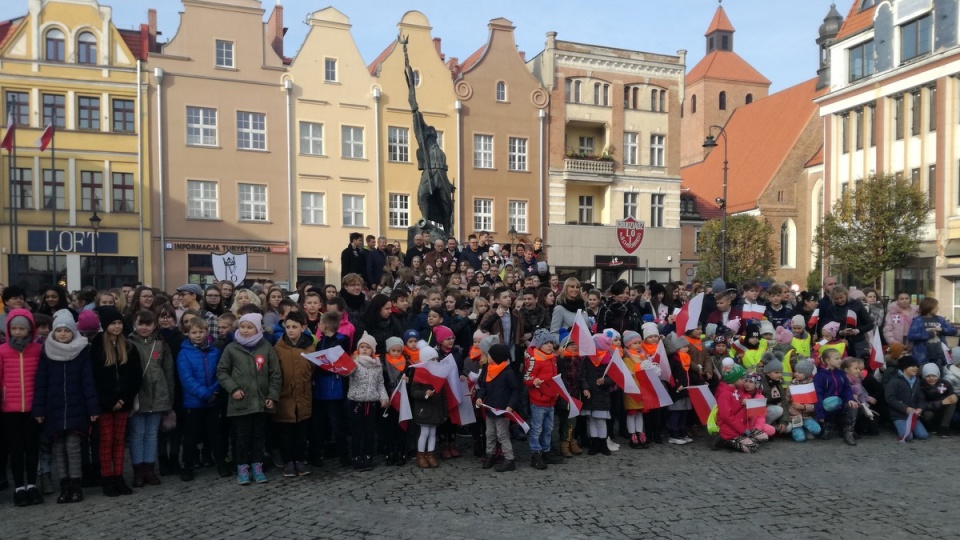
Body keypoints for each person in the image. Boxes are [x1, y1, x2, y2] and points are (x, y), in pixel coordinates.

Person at [33, 310, 99, 503]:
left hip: (75, 406)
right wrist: (38, 409)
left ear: (73, 332)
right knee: (58, 448)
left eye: (66, 330)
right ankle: (65, 486)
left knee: (73, 447)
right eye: (59, 330)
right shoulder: (47, 351)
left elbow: (88, 381)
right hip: (54, 408)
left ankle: (76, 485)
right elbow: (41, 382)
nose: (62, 334)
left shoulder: (81, 351)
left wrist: (93, 408)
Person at [216, 313, 281, 485]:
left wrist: (272, 395)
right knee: (242, 437)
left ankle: (257, 467)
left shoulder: (266, 347)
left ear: (257, 329)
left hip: (261, 401)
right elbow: (222, 372)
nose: (245, 331)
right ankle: (242, 468)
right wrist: (233, 388)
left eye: (249, 327)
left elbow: (275, 374)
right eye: (243, 327)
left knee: (259, 436)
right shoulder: (231, 348)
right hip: (241, 401)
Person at [90, 306, 142, 497]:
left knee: (119, 441)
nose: (117, 326)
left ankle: (119, 477)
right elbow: (95, 377)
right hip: (105, 404)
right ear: (105, 325)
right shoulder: (96, 347)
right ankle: (107, 478)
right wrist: (110, 400)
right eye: (113, 323)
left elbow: (135, 377)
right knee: (106, 441)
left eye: (119, 323)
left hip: (123, 402)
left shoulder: (128, 346)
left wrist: (124, 399)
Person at [177, 317, 230, 481]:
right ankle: (188, 465)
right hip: (194, 402)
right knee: (191, 437)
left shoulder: (215, 351)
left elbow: (220, 372)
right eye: (194, 332)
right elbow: (187, 379)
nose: (198, 335)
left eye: (201, 332)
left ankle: (221, 462)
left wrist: (214, 391)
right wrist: (206, 394)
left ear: (207, 332)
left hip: (214, 401)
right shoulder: (184, 353)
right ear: (188, 334)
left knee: (216, 435)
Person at [127, 310, 175, 488]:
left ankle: (149, 468)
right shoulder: (129, 343)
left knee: (152, 435)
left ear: (154, 325)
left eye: (148, 324)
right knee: (137, 434)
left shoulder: (161, 344)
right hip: (138, 396)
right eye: (141, 324)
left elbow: (168, 372)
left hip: (158, 395)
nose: (144, 328)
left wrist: (169, 398)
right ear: (135, 324)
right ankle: (138, 470)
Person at [0, 309, 43, 505]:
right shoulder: (2, 351)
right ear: (9, 330)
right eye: (14, 328)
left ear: (29, 330)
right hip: (10, 409)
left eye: (22, 329)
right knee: (16, 449)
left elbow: (43, 380)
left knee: (32, 448)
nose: (18, 332)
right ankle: (19, 487)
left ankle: (32, 485)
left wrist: (41, 407)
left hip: (33, 408)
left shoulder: (37, 350)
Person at [273, 310, 315, 477]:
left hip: (303, 394)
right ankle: (288, 461)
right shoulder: (278, 348)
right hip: (285, 395)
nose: (290, 330)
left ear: (303, 327)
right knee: (286, 432)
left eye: (294, 327)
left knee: (301, 431)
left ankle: (300, 459)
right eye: (288, 326)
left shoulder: (309, 346)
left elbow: (312, 368)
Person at [346, 332, 388, 471]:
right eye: (362, 346)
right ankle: (356, 456)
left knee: (369, 431)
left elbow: (380, 383)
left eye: (367, 347)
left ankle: (368, 455)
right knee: (357, 431)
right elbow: (347, 373)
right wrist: (349, 365)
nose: (364, 349)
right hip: (357, 402)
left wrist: (383, 397)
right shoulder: (355, 363)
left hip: (371, 402)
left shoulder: (377, 365)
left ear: (372, 350)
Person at [476, 343, 521, 472]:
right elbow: (483, 386)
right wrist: (480, 397)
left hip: (502, 411)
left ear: (496, 357)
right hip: (489, 408)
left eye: (489, 355)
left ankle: (509, 459)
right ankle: (490, 455)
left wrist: (510, 406)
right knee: (489, 434)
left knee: (502, 435)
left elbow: (515, 391)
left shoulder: (508, 372)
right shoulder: (488, 369)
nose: (487, 357)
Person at [523, 329, 563, 469]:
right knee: (537, 428)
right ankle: (536, 453)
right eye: (546, 343)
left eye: (551, 342)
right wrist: (534, 381)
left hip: (551, 399)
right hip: (539, 401)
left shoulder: (552, 357)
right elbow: (527, 377)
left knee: (548, 428)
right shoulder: (535, 359)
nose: (550, 345)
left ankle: (546, 451)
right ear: (539, 344)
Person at [410, 344, 447, 469]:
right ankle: (420, 455)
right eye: (432, 359)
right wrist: (424, 394)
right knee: (424, 432)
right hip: (424, 408)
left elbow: (443, 394)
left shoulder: (439, 374)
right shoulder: (419, 373)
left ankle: (430, 454)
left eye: (436, 359)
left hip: (435, 408)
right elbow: (414, 391)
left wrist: (444, 412)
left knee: (433, 432)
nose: (435, 362)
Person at [581, 334, 614, 456]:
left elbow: (614, 377)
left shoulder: (608, 359)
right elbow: (583, 375)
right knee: (592, 420)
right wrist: (585, 388)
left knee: (600, 420)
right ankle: (594, 443)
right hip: (590, 394)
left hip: (602, 394)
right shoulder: (587, 359)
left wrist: (606, 381)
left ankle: (602, 443)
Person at [715, 365, 759, 453]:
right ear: (734, 379)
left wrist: (747, 402)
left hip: (739, 426)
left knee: (760, 440)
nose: (744, 381)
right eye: (742, 378)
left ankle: (735, 439)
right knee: (752, 447)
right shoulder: (725, 394)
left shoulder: (738, 390)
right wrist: (742, 430)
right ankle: (727, 441)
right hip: (729, 429)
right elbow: (726, 416)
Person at [884, 355, 928, 441]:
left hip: (913, 415)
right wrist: (905, 408)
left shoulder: (917, 381)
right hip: (898, 415)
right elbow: (890, 398)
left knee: (923, 436)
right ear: (904, 368)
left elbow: (920, 398)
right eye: (912, 366)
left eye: (916, 366)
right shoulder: (895, 381)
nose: (916, 368)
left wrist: (920, 408)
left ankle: (908, 429)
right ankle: (897, 427)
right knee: (907, 437)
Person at [907, 297, 957, 368]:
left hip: (939, 356)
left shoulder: (940, 319)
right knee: (925, 377)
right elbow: (911, 336)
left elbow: (954, 331)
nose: (938, 308)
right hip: (922, 356)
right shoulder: (918, 320)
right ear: (929, 307)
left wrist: (942, 330)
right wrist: (929, 334)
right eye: (936, 306)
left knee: (938, 376)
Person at [919, 363, 957, 436]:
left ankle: (944, 428)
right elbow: (922, 404)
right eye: (928, 376)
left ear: (938, 375)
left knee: (952, 402)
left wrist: (955, 395)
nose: (931, 378)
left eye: (934, 376)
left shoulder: (944, 383)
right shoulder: (921, 386)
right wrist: (941, 402)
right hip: (929, 411)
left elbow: (952, 393)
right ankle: (931, 428)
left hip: (942, 411)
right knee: (928, 415)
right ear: (924, 377)